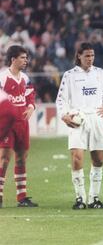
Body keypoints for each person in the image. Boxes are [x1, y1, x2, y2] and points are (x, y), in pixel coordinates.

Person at [56, 42, 103, 209]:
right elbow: (61, 99)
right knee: (77, 158)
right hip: (78, 119)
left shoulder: (100, 74)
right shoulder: (69, 75)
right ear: (79, 56)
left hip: (96, 118)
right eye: (87, 55)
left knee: (98, 159)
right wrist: (64, 115)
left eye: (92, 55)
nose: (90, 59)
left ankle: (94, 198)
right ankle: (80, 198)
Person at [0, 45, 38, 208]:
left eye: (26, 58)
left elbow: (30, 95)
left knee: (22, 158)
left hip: (23, 124)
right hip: (8, 124)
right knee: (4, 159)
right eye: (22, 58)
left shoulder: (25, 78)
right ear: (13, 59)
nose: (26, 61)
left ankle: (21, 197)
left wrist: (31, 107)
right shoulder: (2, 77)